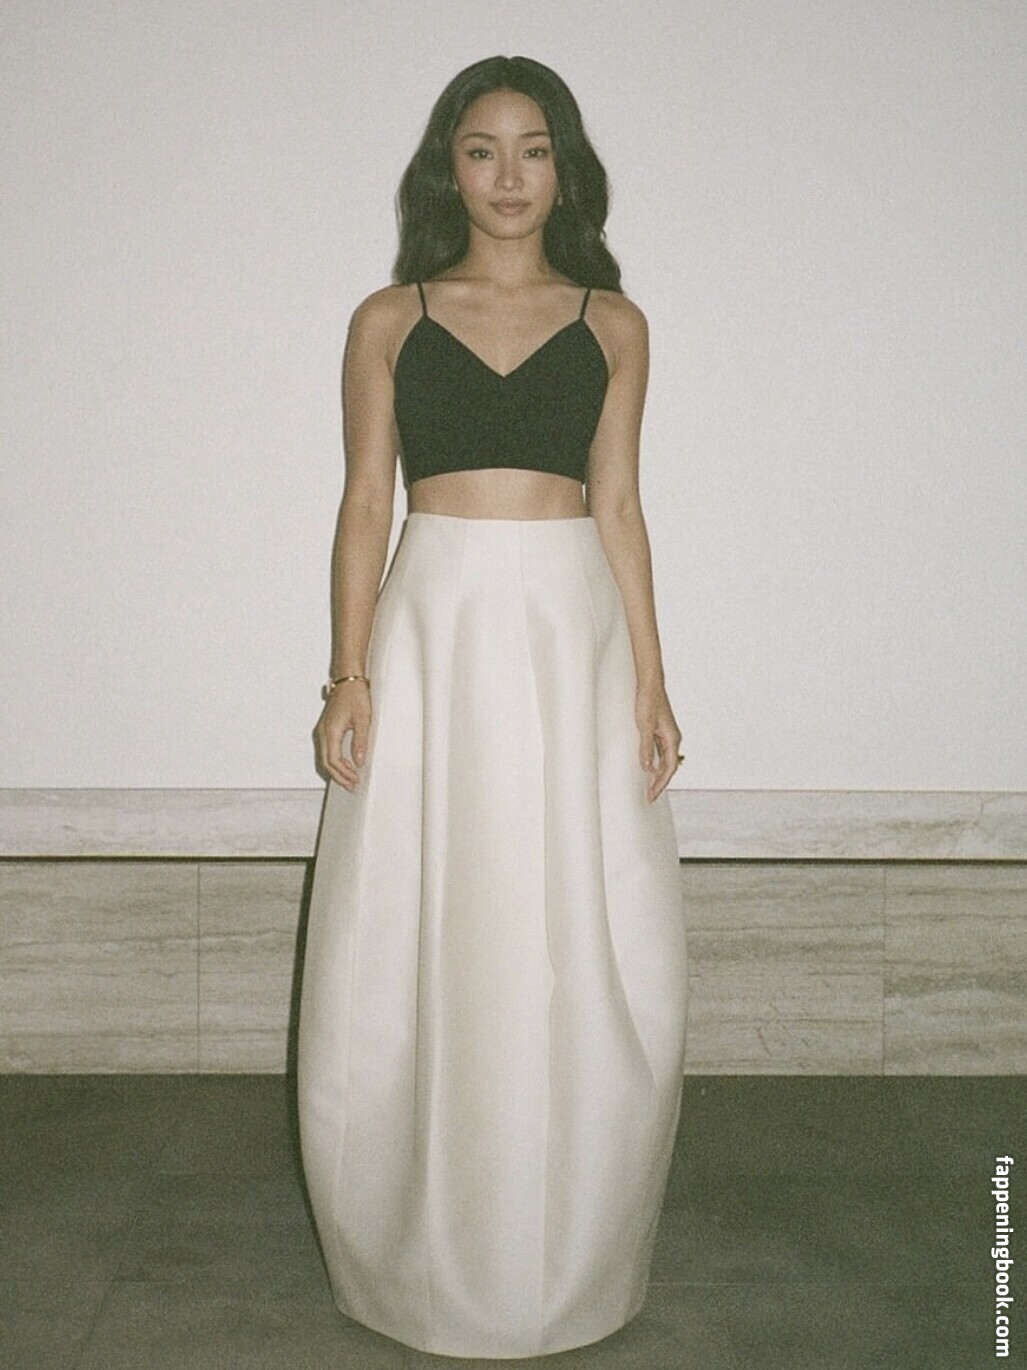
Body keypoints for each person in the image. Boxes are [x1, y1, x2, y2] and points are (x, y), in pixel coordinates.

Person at [297, 54, 689, 1360]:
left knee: (573, 912)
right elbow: (366, 501)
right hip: (435, 623)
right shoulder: (387, 318)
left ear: (564, 169)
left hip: (569, 627)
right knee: (426, 910)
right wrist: (349, 673)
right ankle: (417, 1250)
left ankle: (565, 1246)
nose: (508, 175)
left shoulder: (615, 322)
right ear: (447, 170)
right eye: (482, 149)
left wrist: (651, 675)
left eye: (533, 149)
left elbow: (620, 504)